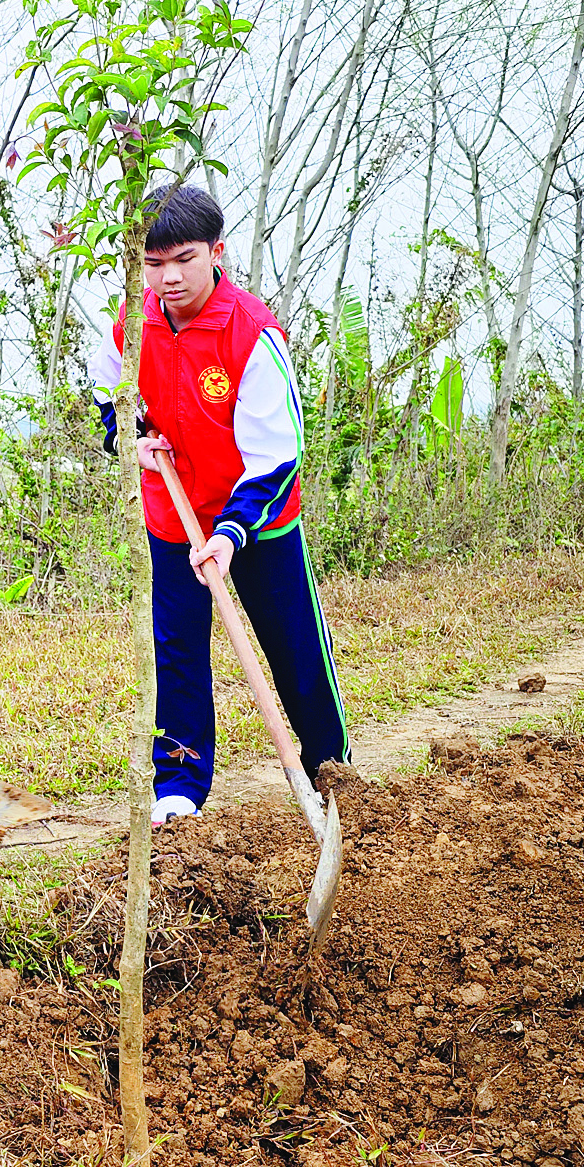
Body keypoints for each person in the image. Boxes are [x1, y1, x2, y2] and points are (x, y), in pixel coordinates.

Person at [91, 185, 351, 823]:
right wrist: (130, 438)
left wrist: (232, 532)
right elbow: (111, 401)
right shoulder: (131, 323)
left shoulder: (251, 334)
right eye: (153, 264)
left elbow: (278, 456)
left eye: (183, 258)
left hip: (259, 525)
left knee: (293, 647)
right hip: (172, 515)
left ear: (216, 252)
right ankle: (179, 785)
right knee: (177, 647)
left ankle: (330, 772)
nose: (168, 277)